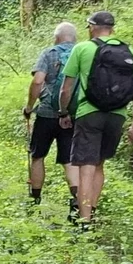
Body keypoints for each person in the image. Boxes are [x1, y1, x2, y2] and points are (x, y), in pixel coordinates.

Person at [56, 9, 133, 227]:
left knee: (85, 168)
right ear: (112, 29)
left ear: (92, 27)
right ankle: (92, 212)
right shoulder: (128, 50)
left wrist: (63, 112)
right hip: (117, 115)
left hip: (89, 113)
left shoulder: (82, 48)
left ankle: (84, 223)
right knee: (99, 165)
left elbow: (66, 89)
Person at [24, 21, 80, 215]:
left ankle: (35, 200)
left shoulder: (49, 53)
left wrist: (29, 107)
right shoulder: (82, 53)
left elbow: (38, 81)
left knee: (38, 155)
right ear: (75, 38)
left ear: (56, 38)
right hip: (71, 115)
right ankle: (77, 201)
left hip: (46, 114)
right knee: (69, 160)